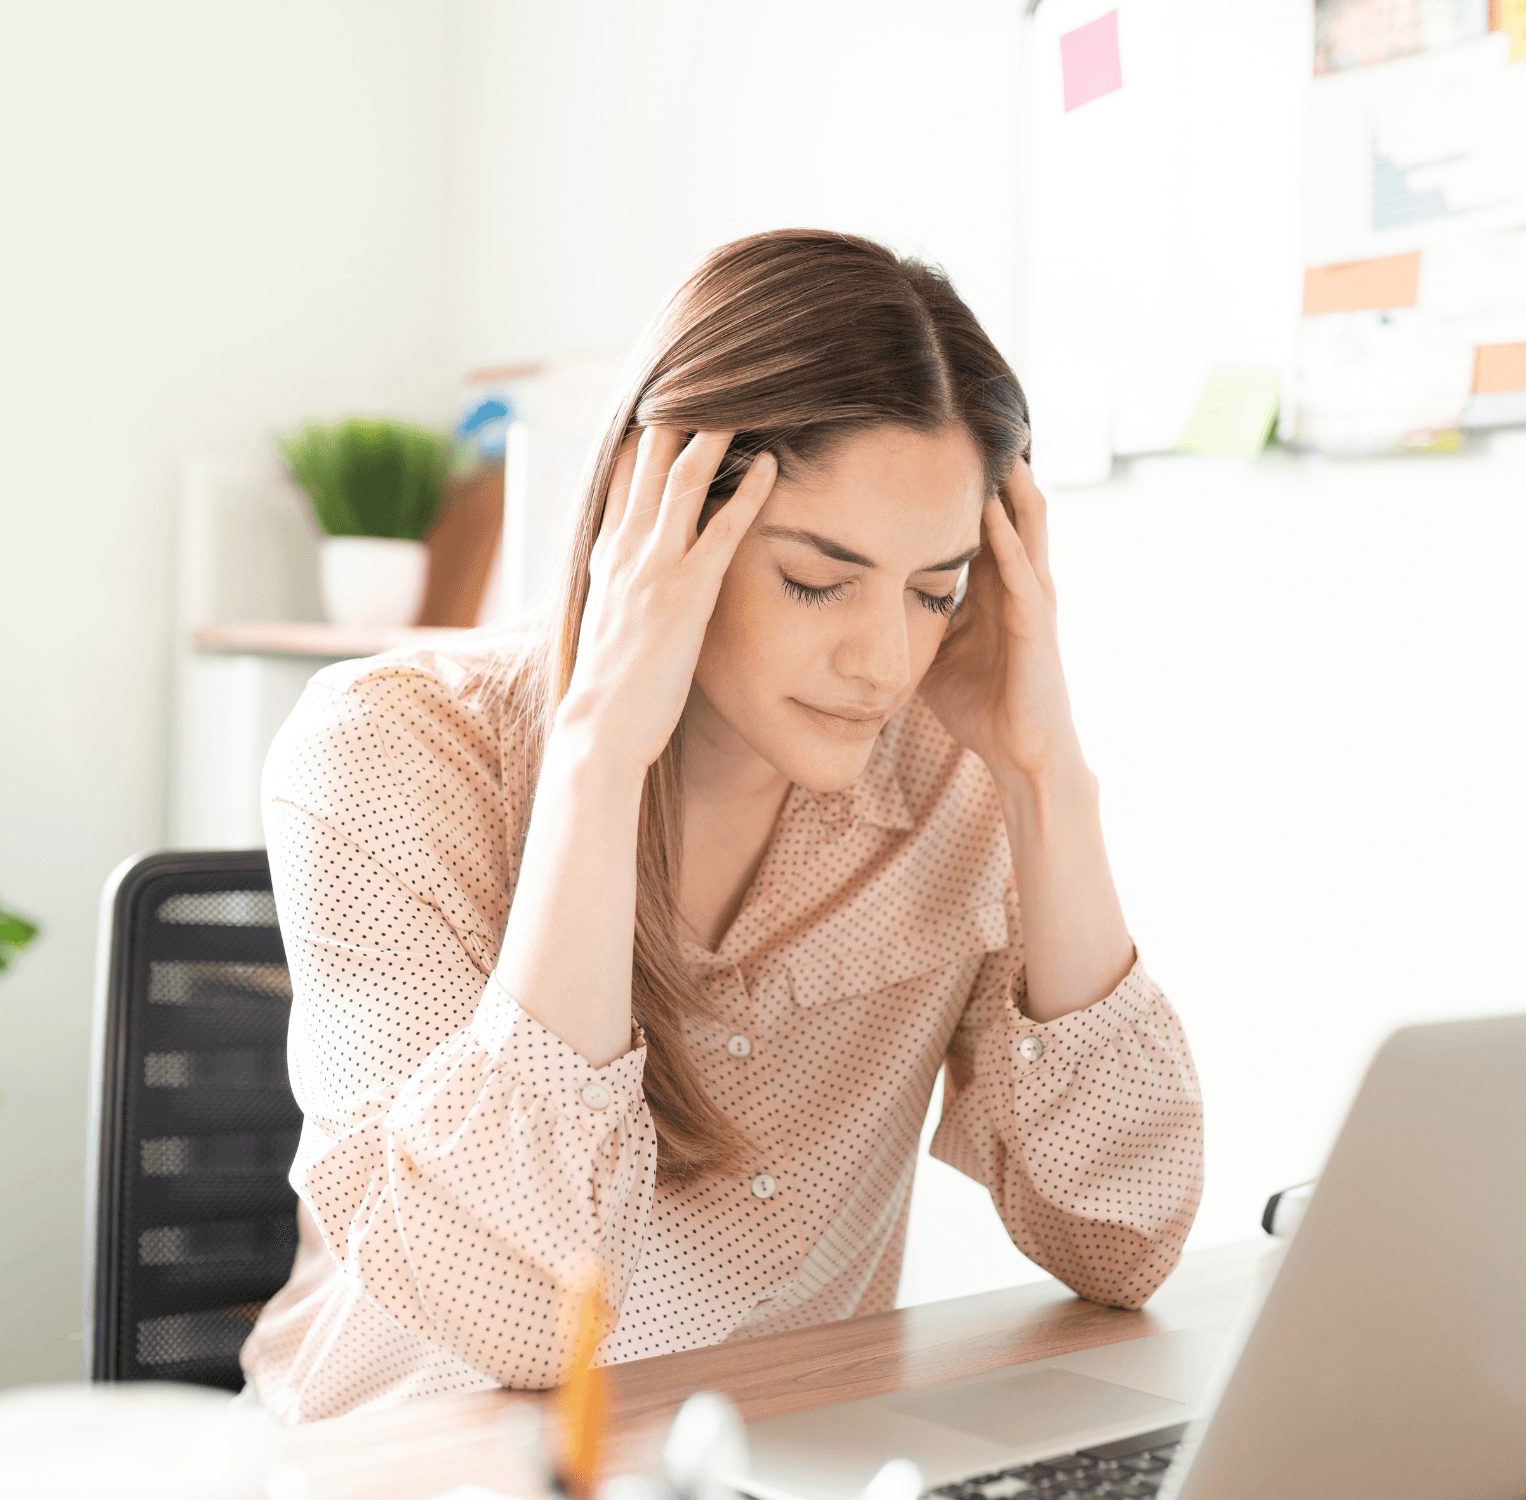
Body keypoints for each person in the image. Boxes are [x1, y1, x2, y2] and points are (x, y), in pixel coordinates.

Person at [240, 230, 1204, 1423]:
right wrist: (598, 761)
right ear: (659, 521)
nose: (885, 661)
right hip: (412, 1460)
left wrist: (1046, 775)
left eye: (934, 591)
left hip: (769, 1463)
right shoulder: (386, 753)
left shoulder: (959, 782)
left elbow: (1125, 1238)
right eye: (816, 579)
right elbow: (519, 1324)